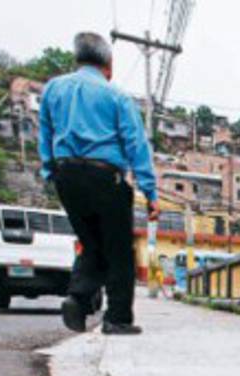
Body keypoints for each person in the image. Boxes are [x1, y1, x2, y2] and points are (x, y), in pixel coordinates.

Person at [38, 32, 158, 335]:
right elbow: (136, 144)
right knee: (118, 250)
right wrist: (150, 191)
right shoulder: (115, 96)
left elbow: (45, 134)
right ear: (109, 65)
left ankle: (78, 299)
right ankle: (117, 317)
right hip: (105, 177)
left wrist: (50, 172)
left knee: (92, 243)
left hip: (67, 176)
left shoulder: (53, 89)